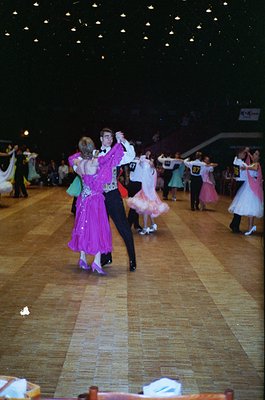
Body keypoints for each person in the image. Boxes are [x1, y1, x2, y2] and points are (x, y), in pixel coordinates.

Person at [68, 136, 124, 274]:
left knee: (83, 228)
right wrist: (119, 142)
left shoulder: (77, 163)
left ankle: (82, 258)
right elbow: (110, 155)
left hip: (83, 200)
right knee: (97, 229)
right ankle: (97, 262)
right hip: (95, 201)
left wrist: (83, 152)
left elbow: (72, 157)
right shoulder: (95, 163)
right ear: (92, 148)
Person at [98, 128, 137, 272]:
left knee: (124, 228)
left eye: (111, 137)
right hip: (99, 197)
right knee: (102, 228)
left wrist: (123, 141)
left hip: (113, 195)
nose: (109, 139)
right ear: (101, 138)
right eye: (107, 137)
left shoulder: (117, 154)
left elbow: (131, 156)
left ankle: (132, 259)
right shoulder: (95, 155)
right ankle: (105, 256)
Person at [127, 151, 169, 235]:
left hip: (136, 186)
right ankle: (135, 224)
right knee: (139, 207)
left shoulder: (135, 162)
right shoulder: (146, 165)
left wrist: (146, 157)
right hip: (142, 187)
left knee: (140, 207)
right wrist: (146, 157)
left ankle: (136, 225)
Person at [228, 149, 263, 236]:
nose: (254, 156)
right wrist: (247, 153)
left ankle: (249, 227)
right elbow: (251, 162)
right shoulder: (249, 163)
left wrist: (246, 167)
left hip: (251, 188)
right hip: (247, 187)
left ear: (259, 157)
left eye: (256, 154)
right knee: (248, 208)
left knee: (251, 208)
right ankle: (249, 227)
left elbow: (254, 168)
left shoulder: (256, 164)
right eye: (254, 154)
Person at [229, 147, 248, 233]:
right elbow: (251, 169)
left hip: (238, 184)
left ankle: (234, 224)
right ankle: (235, 226)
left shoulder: (235, 161)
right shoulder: (241, 164)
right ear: (239, 154)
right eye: (243, 153)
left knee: (238, 206)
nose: (245, 154)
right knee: (240, 206)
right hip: (241, 184)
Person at [127, 152, 143, 232]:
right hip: (137, 185)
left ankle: (136, 224)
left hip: (131, 184)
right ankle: (128, 225)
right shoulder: (140, 163)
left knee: (135, 205)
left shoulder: (131, 161)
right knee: (135, 206)